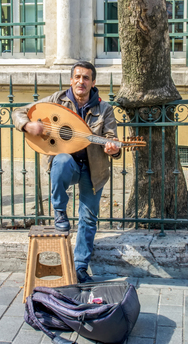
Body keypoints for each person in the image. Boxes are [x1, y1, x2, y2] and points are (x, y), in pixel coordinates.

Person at [12, 61, 121, 283]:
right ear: (71, 80)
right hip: (68, 166)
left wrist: (113, 149)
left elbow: (110, 138)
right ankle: (59, 211)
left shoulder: (104, 109)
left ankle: (80, 268)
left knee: (88, 219)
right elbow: (18, 112)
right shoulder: (56, 100)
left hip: (93, 169)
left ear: (93, 82)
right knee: (60, 160)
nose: (81, 82)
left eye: (86, 78)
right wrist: (27, 125)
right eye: (78, 77)